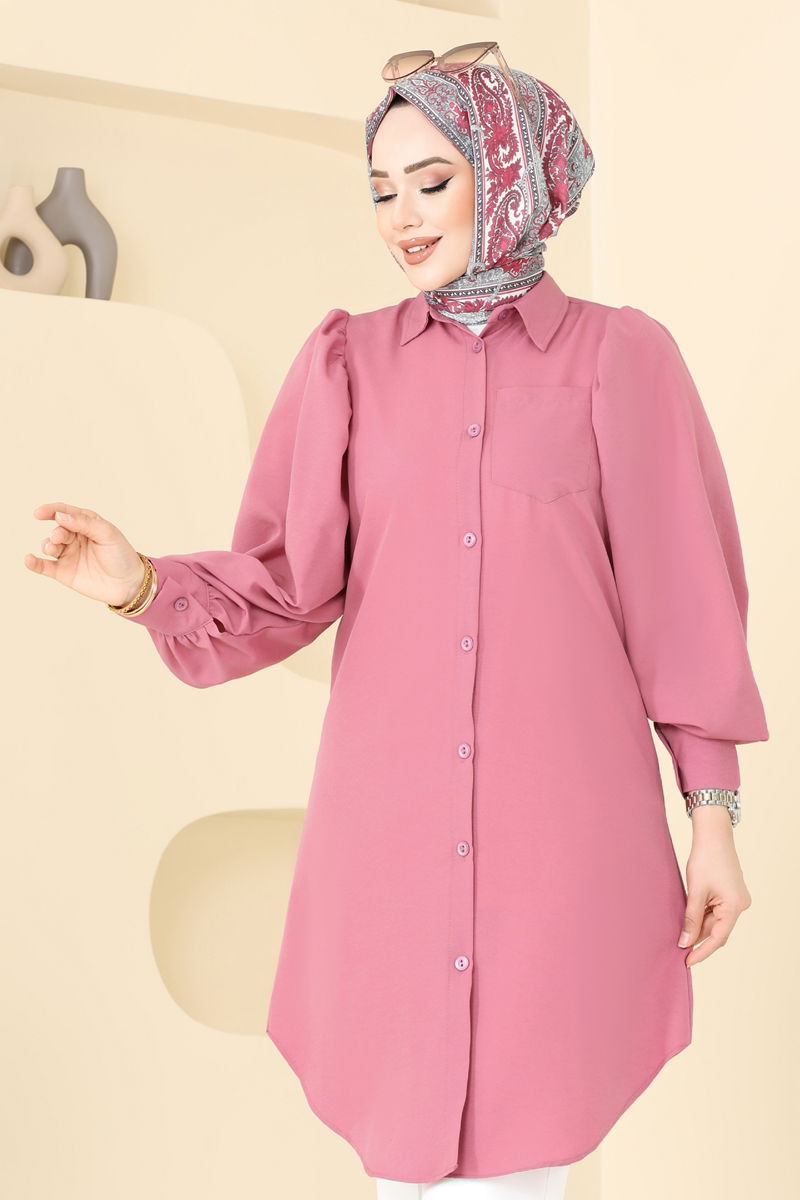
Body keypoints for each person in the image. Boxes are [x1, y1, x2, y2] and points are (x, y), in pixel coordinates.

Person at [25, 45, 769, 1200]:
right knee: (407, 1159)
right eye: (380, 190)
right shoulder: (346, 364)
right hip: (390, 845)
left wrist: (710, 818)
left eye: (430, 181)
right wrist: (140, 585)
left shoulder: (619, 357)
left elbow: (683, 600)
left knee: (522, 1157)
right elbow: (284, 584)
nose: (401, 218)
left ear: (508, 176)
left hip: (561, 843)